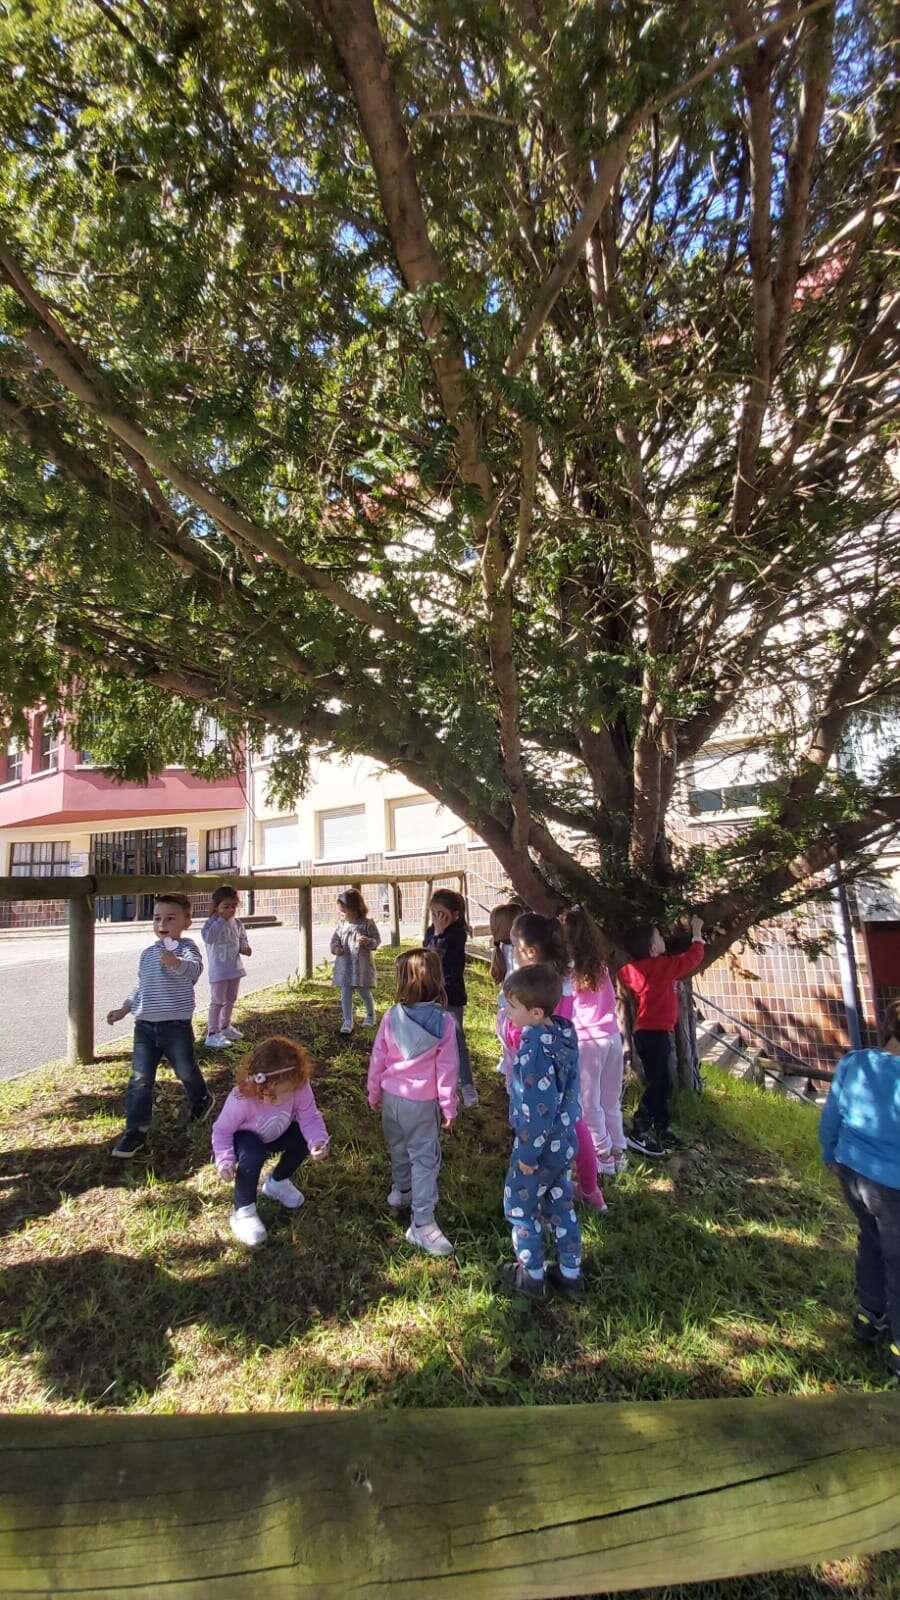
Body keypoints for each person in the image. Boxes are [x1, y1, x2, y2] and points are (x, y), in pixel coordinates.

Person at [819, 1000, 900, 1382]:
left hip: (852, 1174)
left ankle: (869, 1317)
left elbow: (831, 1113)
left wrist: (829, 1151)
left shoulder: (855, 1063)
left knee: (870, 1240)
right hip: (892, 1186)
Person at [507, 911, 607, 1212]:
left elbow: (520, 1033)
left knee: (536, 1129)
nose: (513, 955)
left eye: (515, 948)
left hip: (537, 1069)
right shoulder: (561, 977)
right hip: (565, 1061)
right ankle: (590, 1189)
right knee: (574, 1123)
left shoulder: (534, 985)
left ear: (529, 951)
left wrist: (507, 1025)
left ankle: (537, 1197)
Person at [500, 963, 584, 1302]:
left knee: (521, 1207)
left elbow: (536, 1110)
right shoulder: (563, 1034)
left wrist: (527, 1156)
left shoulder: (534, 1049)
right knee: (560, 1204)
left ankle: (531, 1275)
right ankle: (570, 1272)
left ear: (535, 1012)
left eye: (512, 1006)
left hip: (537, 1148)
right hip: (563, 1142)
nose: (506, 1011)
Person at [105, 893, 212, 1159]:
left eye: (170, 918)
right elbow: (140, 986)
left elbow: (194, 972)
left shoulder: (187, 948)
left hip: (175, 1025)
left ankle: (201, 1099)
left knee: (186, 1070)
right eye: (157, 918)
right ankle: (135, 1130)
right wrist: (125, 1008)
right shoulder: (148, 954)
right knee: (140, 1079)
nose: (162, 923)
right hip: (144, 1026)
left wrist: (176, 962)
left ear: (187, 921)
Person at [367, 948, 459, 1258]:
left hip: (392, 1097)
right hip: (421, 1103)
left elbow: (377, 1058)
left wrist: (373, 1092)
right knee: (425, 1160)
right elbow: (448, 1070)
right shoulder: (444, 1024)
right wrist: (449, 1107)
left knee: (398, 1148)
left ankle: (400, 1192)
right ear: (437, 980)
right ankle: (422, 1223)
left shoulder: (391, 1016)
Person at [211, 1035, 330, 1247]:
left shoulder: (299, 1086)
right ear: (258, 1085)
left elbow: (309, 1116)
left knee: (302, 1137)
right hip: (246, 1140)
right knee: (253, 1151)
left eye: (284, 1092)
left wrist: (317, 1141)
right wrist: (225, 1161)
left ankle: (277, 1182)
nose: (277, 1099)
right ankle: (243, 1211)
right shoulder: (241, 1099)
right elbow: (222, 1131)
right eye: (270, 1094)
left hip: (276, 1133)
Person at [618, 914, 705, 1158]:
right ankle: (640, 1127)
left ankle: (661, 1126)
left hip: (646, 1033)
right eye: (658, 936)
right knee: (660, 1083)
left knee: (661, 1081)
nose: (663, 938)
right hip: (655, 1033)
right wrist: (697, 933)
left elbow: (624, 972)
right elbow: (692, 958)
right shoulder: (663, 966)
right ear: (653, 948)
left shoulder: (635, 969)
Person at [559, 905, 627, 1176]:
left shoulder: (568, 971)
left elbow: (565, 1007)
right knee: (611, 1100)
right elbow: (611, 1000)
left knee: (590, 1102)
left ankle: (602, 1155)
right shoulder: (600, 966)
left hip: (587, 1041)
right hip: (611, 1036)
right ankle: (619, 1151)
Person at [424, 888, 478, 1108]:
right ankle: (440, 1084)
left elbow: (443, 954)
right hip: (431, 995)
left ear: (455, 915)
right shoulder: (432, 932)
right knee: (432, 1040)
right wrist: (435, 933)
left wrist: (439, 933)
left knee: (456, 1039)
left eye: (442, 914)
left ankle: (467, 1085)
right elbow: (427, 957)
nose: (437, 918)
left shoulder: (457, 933)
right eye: (434, 913)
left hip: (452, 995)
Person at [201, 885, 253, 1048]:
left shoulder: (237, 923)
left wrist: (245, 947)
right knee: (217, 1001)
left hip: (234, 968)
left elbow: (242, 938)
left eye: (233, 906)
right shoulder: (211, 923)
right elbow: (209, 938)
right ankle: (212, 1033)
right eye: (226, 906)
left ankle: (225, 1026)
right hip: (219, 970)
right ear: (216, 907)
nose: (230, 910)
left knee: (231, 999)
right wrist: (221, 920)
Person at [331, 888, 381, 1036]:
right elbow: (334, 940)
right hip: (346, 965)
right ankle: (347, 1020)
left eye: (345, 911)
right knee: (345, 992)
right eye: (341, 911)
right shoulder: (342, 925)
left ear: (355, 908)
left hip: (361, 966)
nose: (343, 914)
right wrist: (336, 949)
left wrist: (368, 941)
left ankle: (371, 1015)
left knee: (364, 990)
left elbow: (376, 941)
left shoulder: (367, 924)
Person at [489, 902, 520, 1080]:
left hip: (505, 1013)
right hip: (518, 1012)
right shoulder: (519, 953)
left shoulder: (501, 950)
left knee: (510, 1054)